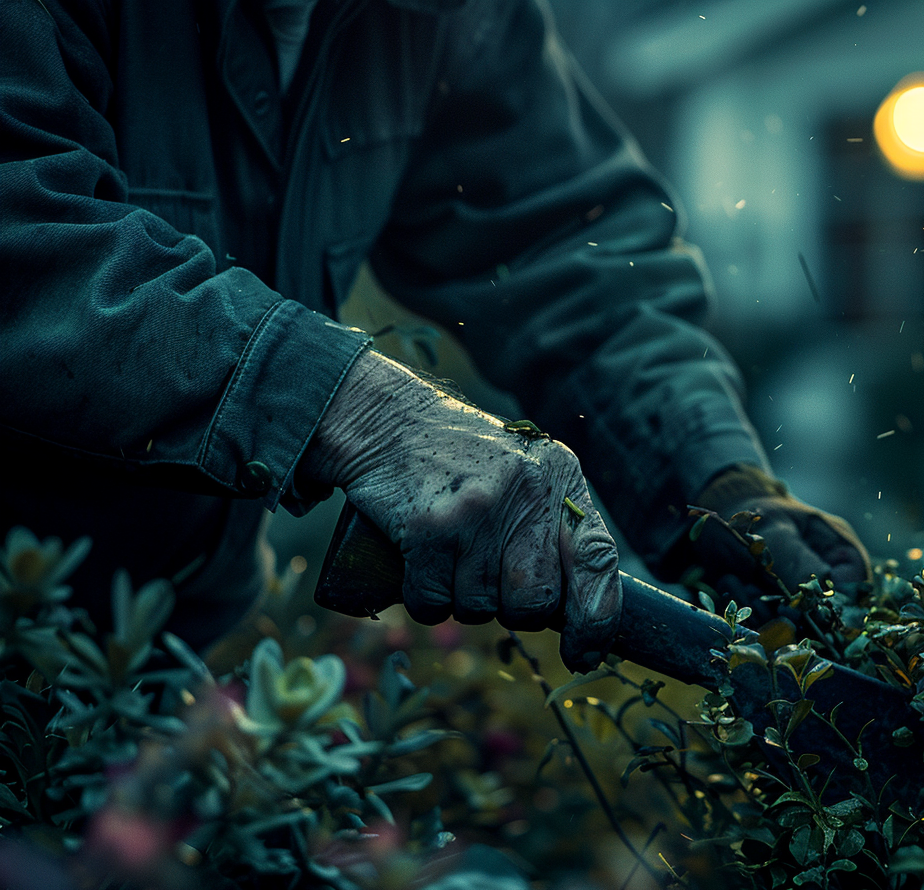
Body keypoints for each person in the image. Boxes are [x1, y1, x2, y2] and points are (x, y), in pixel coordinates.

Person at [0, 0, 870, 671]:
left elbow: (557, 243)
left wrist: (710, 481)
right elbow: (24, 233)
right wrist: (363, 410)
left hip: (164, 663)